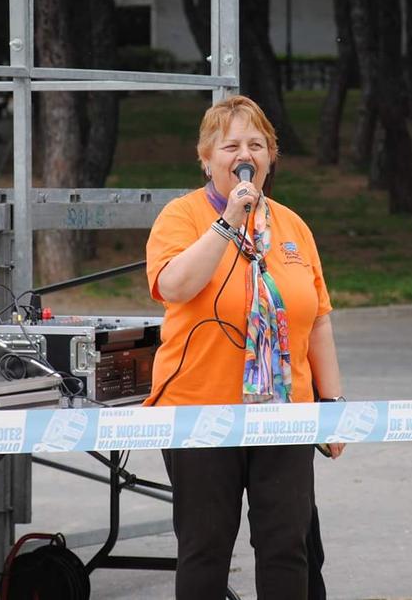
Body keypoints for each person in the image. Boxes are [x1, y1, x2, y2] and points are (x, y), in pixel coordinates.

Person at [145, 95, 345, 600]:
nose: (245, 153)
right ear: (207, 158)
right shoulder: (181, 216)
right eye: (231, 144)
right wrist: (229, 218)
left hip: (285, 413)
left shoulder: (293, 226)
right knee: (205, 548)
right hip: (200, 411)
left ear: (270, 158)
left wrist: (333, 406)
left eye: (256, 144)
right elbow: (175, 286)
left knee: (286, 546)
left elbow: (316, 319)